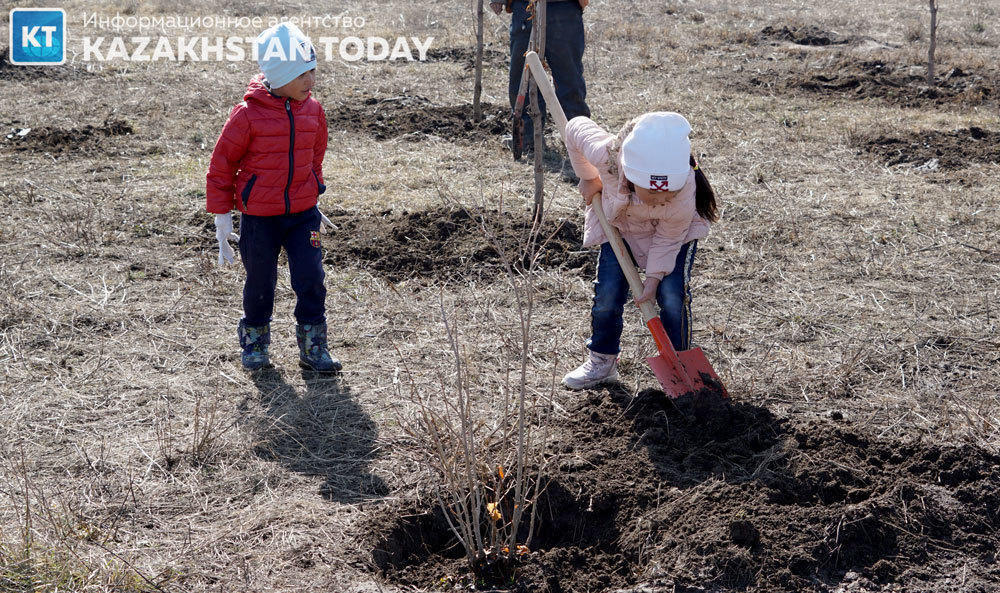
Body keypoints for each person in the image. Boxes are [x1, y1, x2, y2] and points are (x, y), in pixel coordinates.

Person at [206, 22, 340, 373]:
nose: (310, 81)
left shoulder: (313, 110)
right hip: (260, 218)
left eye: (312, 71)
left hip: (302, 215)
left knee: (311, 278)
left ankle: (313, 348)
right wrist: (222, 216)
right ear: (279, 75)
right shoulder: (247, 115)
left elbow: (315, 154)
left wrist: (314, 190)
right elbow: (221, 165)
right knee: (260, 281)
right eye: (301, 74)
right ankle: (255, 344)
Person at [560, 112, 719, 390]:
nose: (663, 199)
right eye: (655, 194)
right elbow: (574, 127)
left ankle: (679, 364)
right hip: (620, 230)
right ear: (632, 177)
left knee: (671, 296)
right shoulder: (606, 155)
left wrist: (654, 278)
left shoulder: (683, 194)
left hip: (673, 240)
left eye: (669, 193)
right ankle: (602, 360)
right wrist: (588, 177)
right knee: (607, 294)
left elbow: (668, 239)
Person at [491, 0, 590, 153]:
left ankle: (580, 142)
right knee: (525, 78)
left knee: (569, 78)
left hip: (563, 7)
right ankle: (528, 140)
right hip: (528, 8)